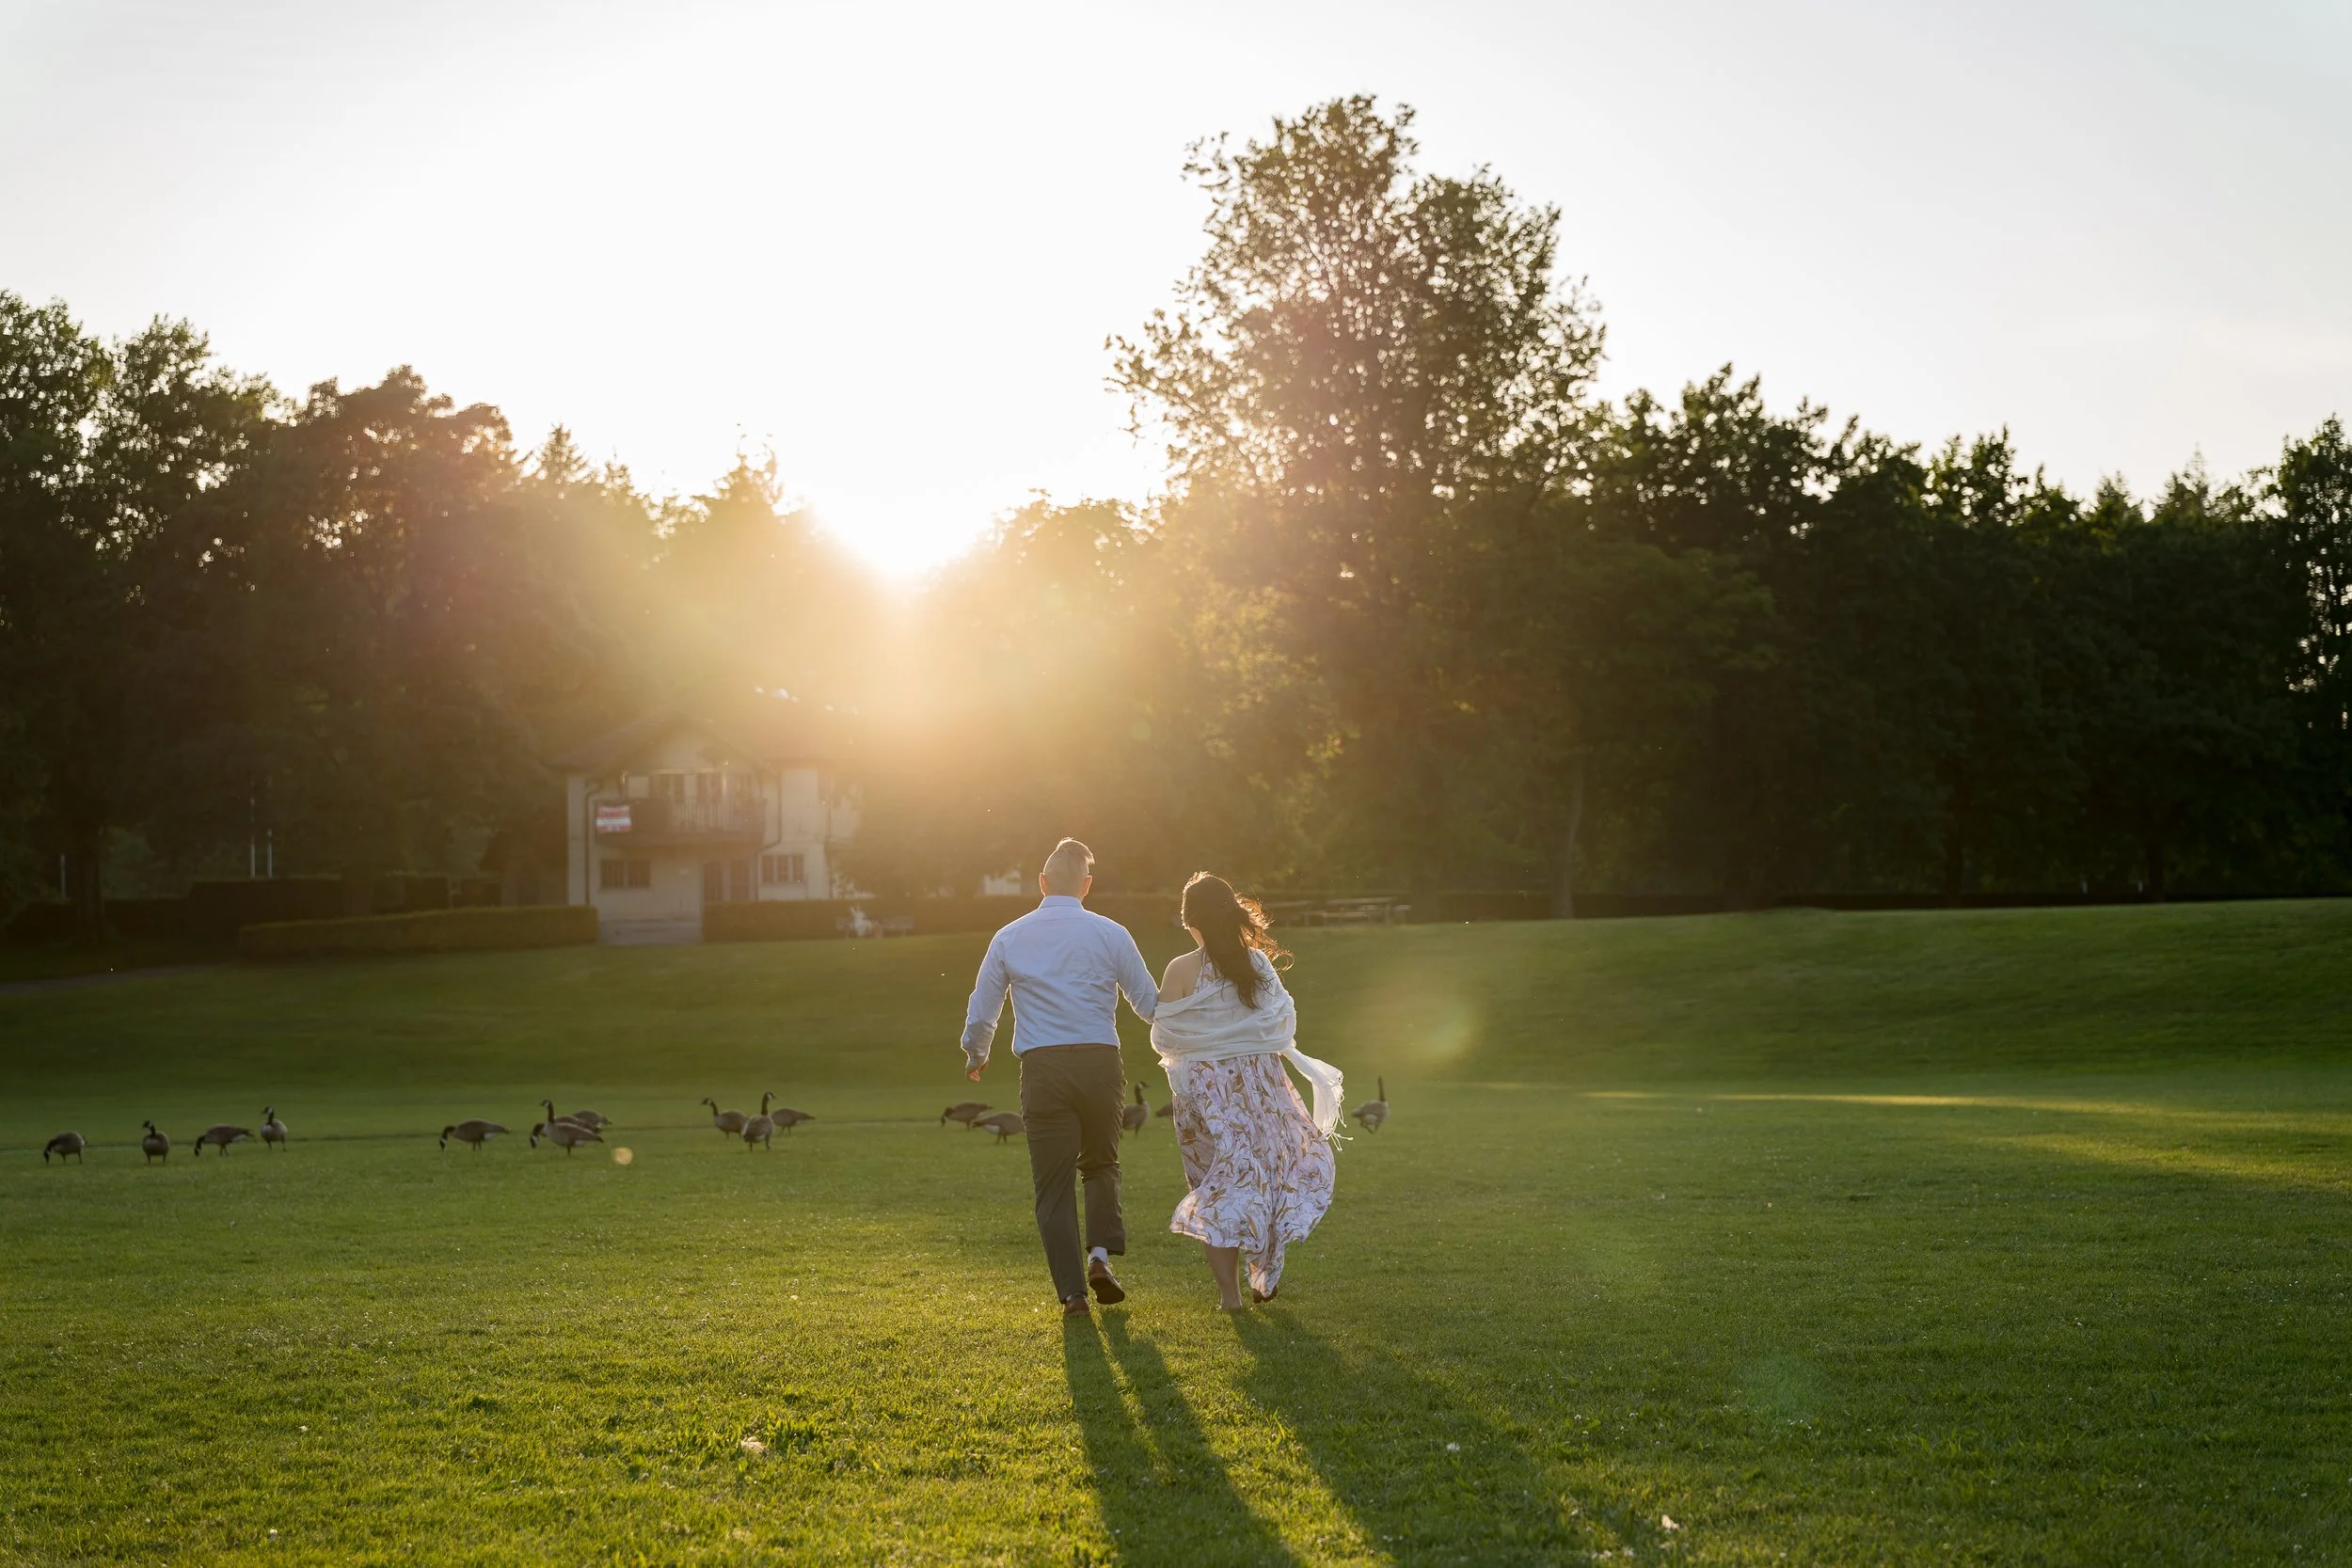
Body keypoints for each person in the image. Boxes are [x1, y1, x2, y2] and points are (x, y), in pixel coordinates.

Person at [961, 837, 1159, 1318]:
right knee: (1101, 1164)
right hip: (1099, 1064)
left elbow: (983, 1007)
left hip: (1044, 1069)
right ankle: (1099, 1257)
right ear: (1087, 886)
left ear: (1042, 882)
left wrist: (976, 1053)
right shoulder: (1112, 933)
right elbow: (1150, 1005)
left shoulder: (1009, 936)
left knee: (1052, 1185)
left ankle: (1072, 1296)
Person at [1149, 873, 1343, 1310]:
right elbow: (1280, 1021)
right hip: (1260, 1087)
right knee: (1261, 1179)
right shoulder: (1256, 964)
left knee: (1217, 1185)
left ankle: (1231, 1296)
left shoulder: (1181, 969)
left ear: (1189, 921)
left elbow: (1165, 1036)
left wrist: (1209, 1049)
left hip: (1204, 1093)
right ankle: (1264, 1272)